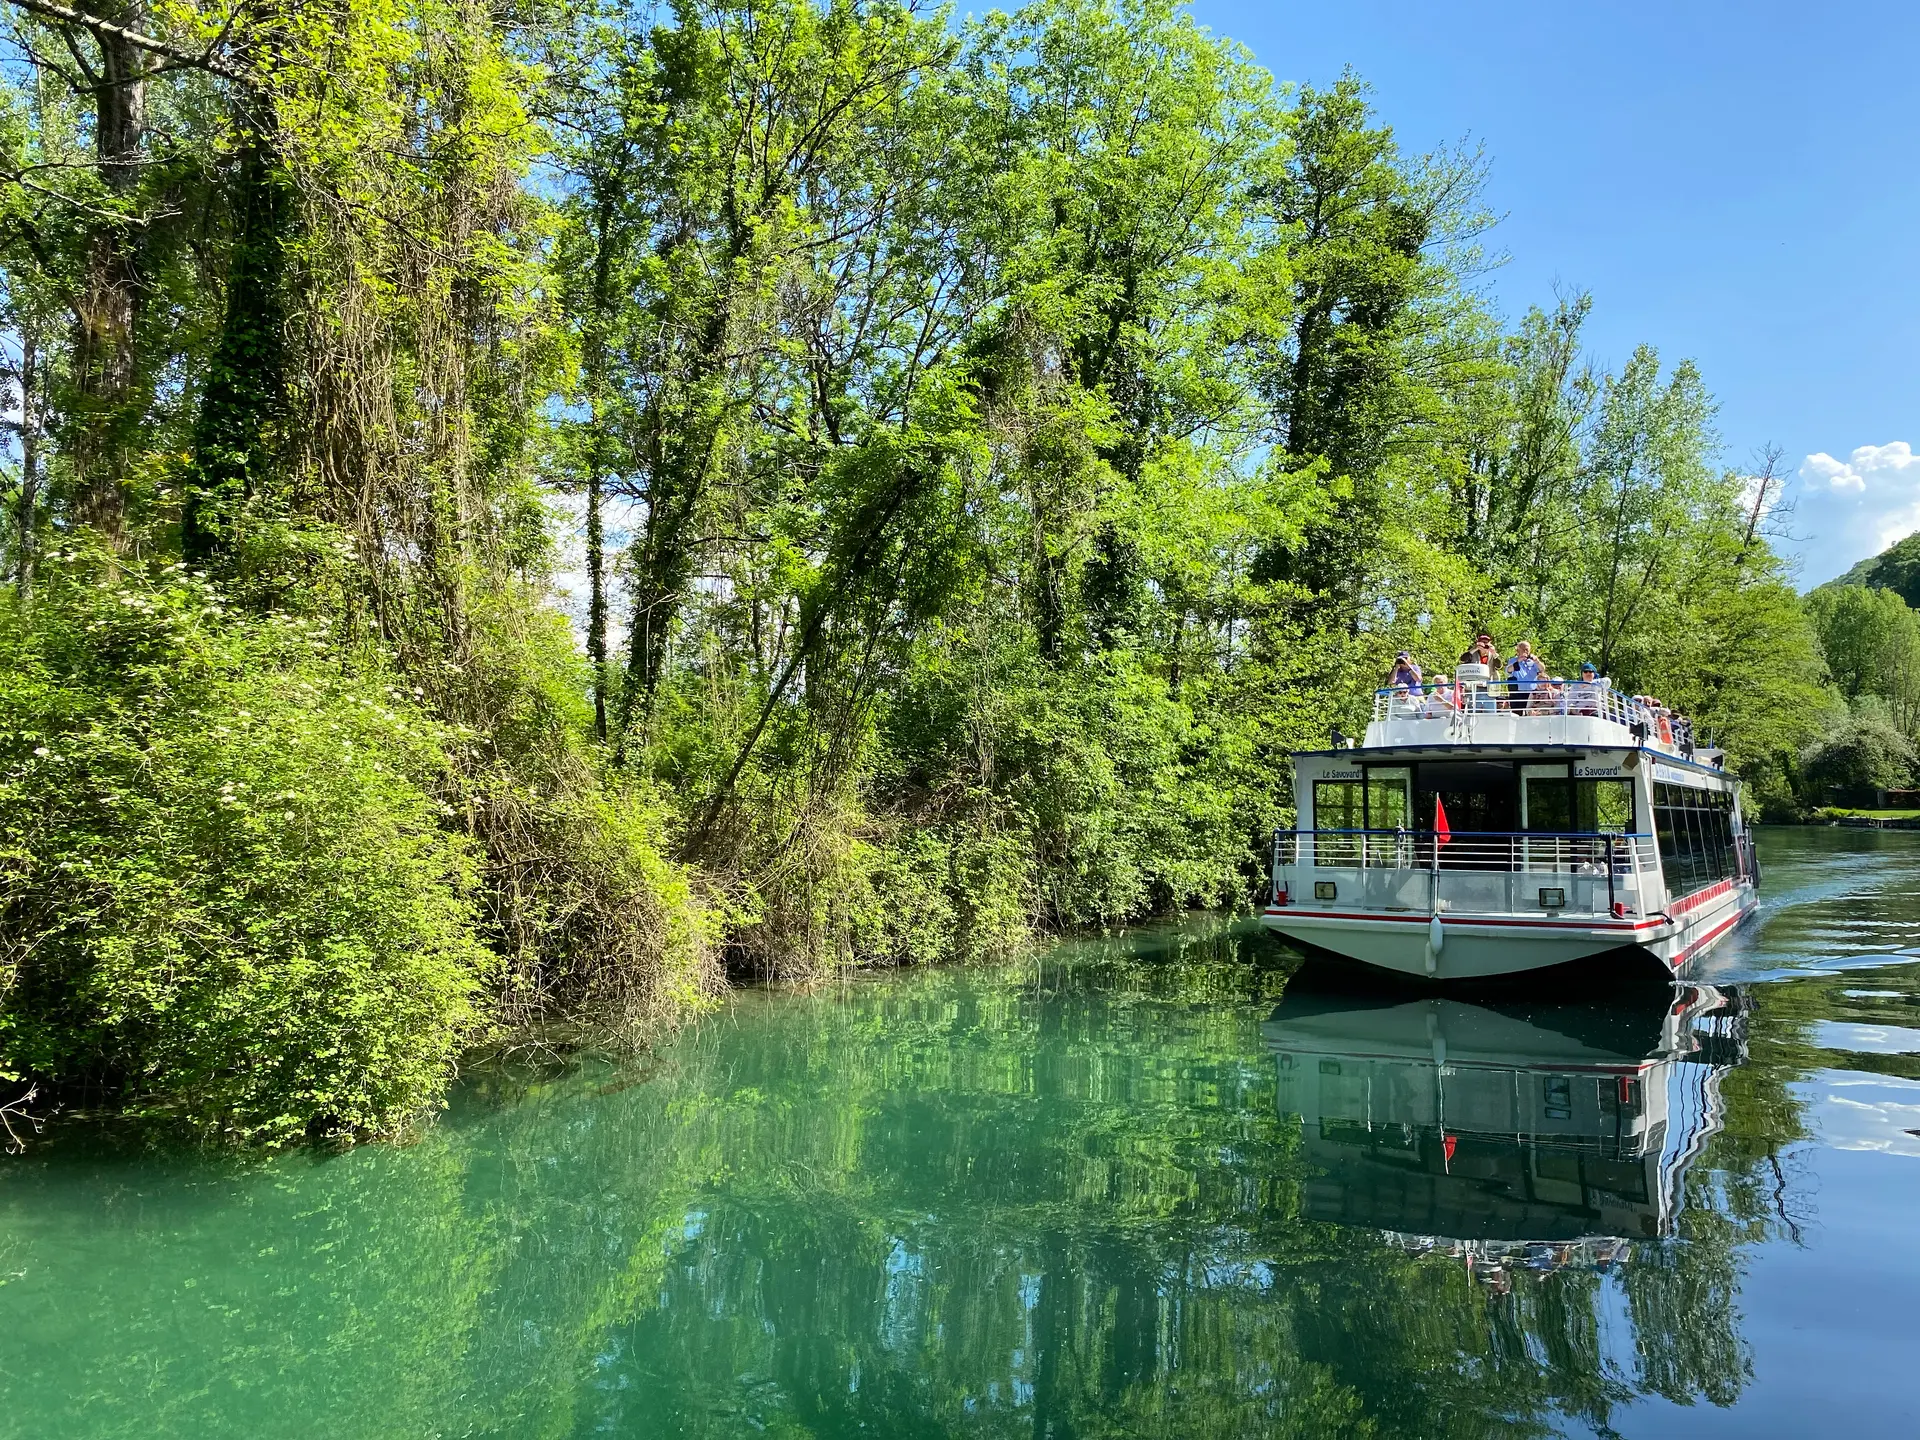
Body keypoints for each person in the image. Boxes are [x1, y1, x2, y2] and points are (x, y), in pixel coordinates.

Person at [1504, 640, 1544, 712]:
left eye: (1527, 649)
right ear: (1518, 650)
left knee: (1531, 713)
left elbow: (1542, 669)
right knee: (1517, 714)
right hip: (1518, 693)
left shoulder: (1533, 661)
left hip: (1532, 693)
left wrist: (1537, 661)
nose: (1526, 651)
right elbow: (1508, 670)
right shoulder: (1513, 660)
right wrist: (1519, 661)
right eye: (1523, 649)